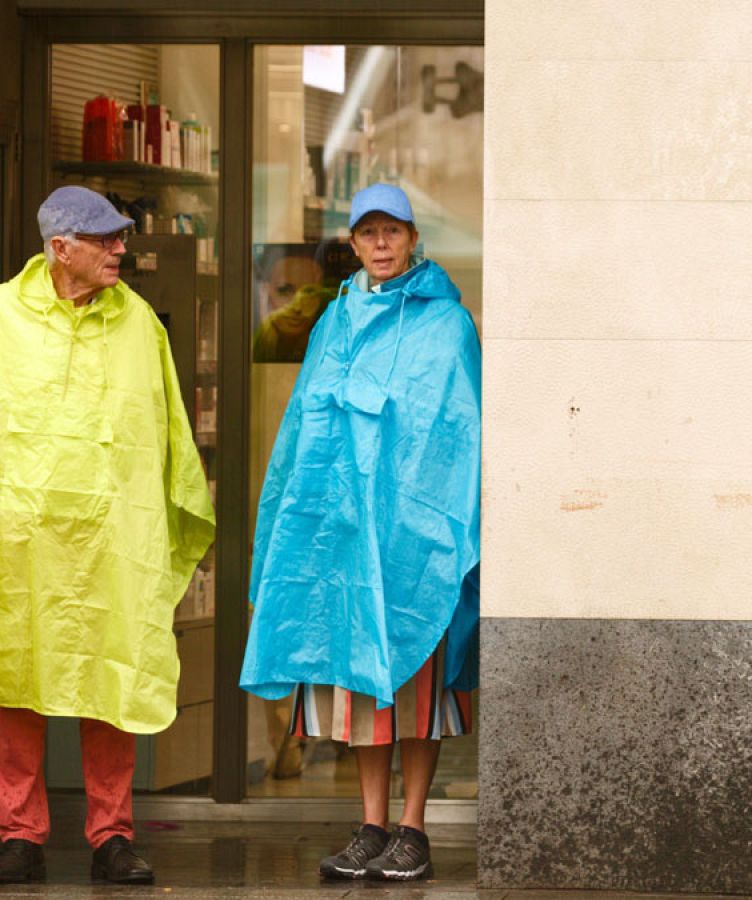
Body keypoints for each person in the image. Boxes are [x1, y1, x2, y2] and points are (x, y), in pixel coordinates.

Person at [0, 185, 215, 885]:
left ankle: (112, 835)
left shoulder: (138, 324)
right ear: (59, 247)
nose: (120, 250)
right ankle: (19, 836)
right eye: (105, 240)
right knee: (16, 681)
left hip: (111, 536)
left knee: (112, 677)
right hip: (21, 540)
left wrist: (183, 505)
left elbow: (163, 433)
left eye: (120, 238)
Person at [240, 183, 481, 883]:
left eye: (392, 232)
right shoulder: (335, 322)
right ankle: (372, 826)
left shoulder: (446, 324)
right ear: (351, 243)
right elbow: (305, 427)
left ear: (413, 238)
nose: (381, 245)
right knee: (364, 694)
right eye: (368, 233)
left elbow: (455, 430)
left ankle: (414, 828)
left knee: (416, 692)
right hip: (347, 535)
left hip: (413, 539)